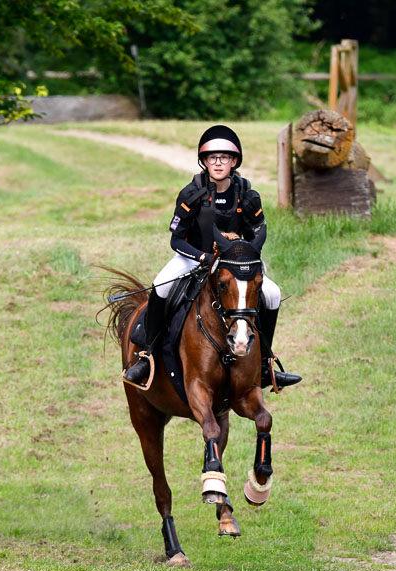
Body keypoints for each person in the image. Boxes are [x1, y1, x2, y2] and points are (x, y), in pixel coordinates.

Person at [124, 125, 301, 389]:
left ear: (234, 161)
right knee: (160, 288)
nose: (218, 163)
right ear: (204, 161)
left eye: (224, 158)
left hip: (235, 263)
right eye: (212, 158)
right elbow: (176, 239)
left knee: (273, 294)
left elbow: (258, 232)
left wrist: (243, 257)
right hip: (195, 259)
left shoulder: (248, 196)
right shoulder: (190, 195)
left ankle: (265, 364)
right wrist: (204, 258)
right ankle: (147, 355)